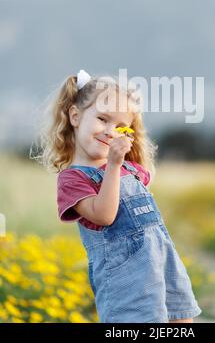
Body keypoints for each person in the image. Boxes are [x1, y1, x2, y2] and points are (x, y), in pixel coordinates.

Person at [33, 69, 202, 323]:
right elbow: (104, 215)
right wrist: (112, 165)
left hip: (164, 266)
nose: (111, 132)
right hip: (125, 281)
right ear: (76, 116)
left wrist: (120, 163)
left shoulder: (130, 169)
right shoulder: (73, 179)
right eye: (102, 119)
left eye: (121, 127)